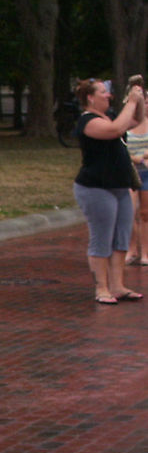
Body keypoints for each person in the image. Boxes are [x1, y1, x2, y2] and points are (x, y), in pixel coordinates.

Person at [72, 77, 145, 304]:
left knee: (122, 237)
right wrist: (131, 101)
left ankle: (118, 285)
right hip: (96, 188)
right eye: (103, 92)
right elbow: (114, 130)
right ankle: (101, 288)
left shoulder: (111, 115)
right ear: (90, 98)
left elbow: (136, 119)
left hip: (120, 186)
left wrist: (138, 97)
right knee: (102, 237)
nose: (108, 96)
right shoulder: (88, 121)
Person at [124, 77, 148, 265]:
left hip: (146, 172)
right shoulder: (126, 124)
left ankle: (145, 253)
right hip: (130, 171)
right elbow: (120, 146)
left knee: (145, 213)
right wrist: (135, 158)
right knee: (130, 212)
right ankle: (131, 249)